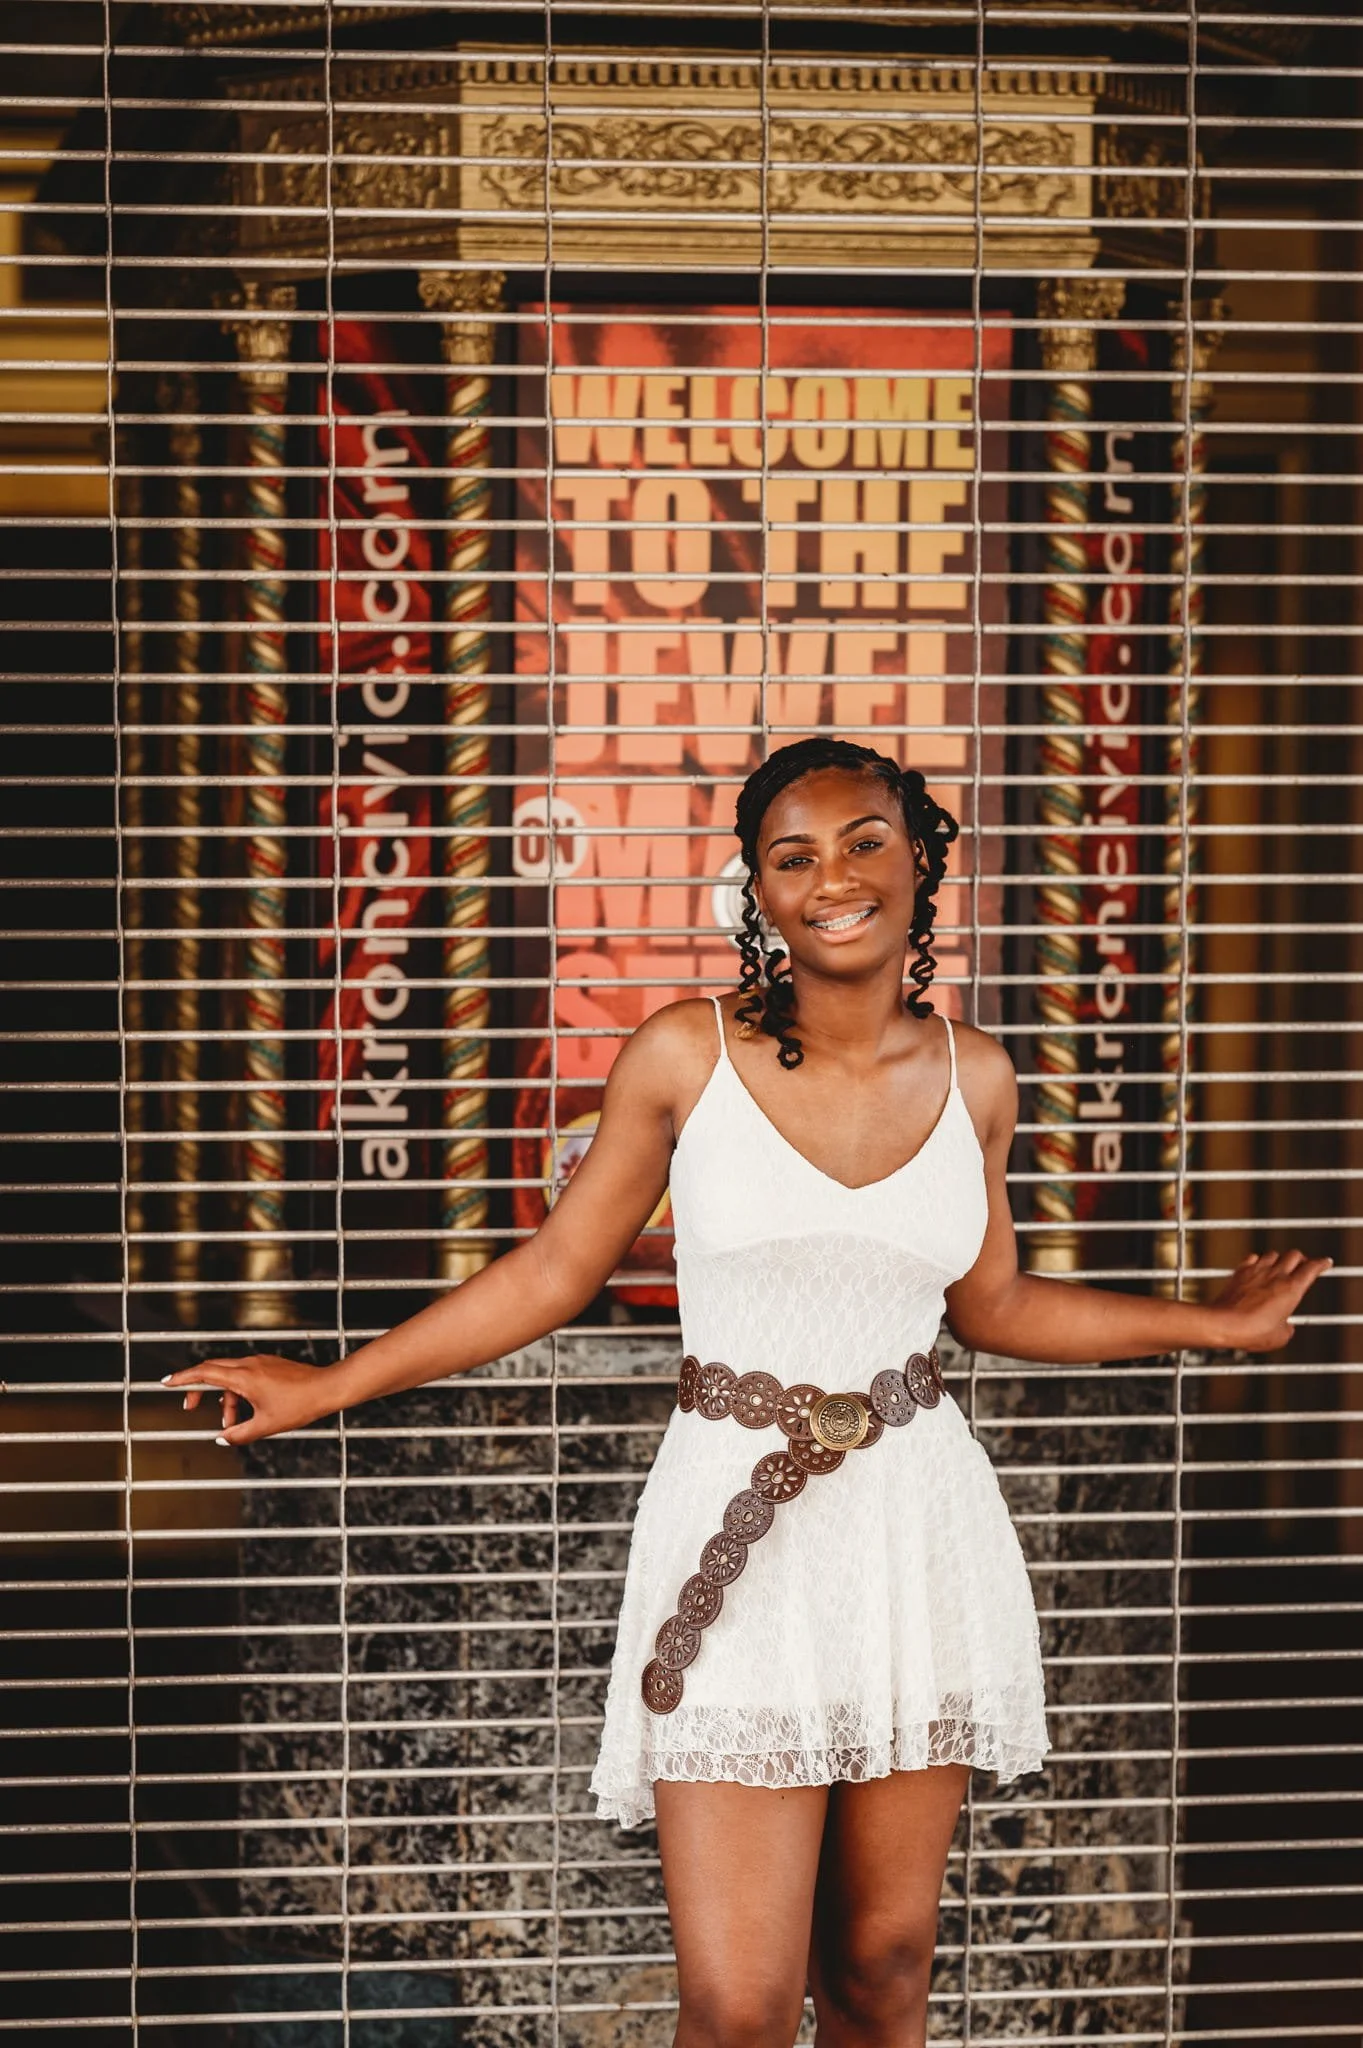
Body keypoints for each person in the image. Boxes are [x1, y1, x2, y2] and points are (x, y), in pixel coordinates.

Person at [166, 736, 1329, 2048]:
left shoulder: (978, 1079)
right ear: (758, 896)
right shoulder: (683, 1058)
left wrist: (1214, 1327)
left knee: (883, 1975)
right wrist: (329, 1386)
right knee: (734, 2007)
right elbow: (554, 1269)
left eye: (862, 840)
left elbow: (996, 1307)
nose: (831, 875)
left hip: (912, 1529)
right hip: (735, 1519)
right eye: (792, 857)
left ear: (923, 860)